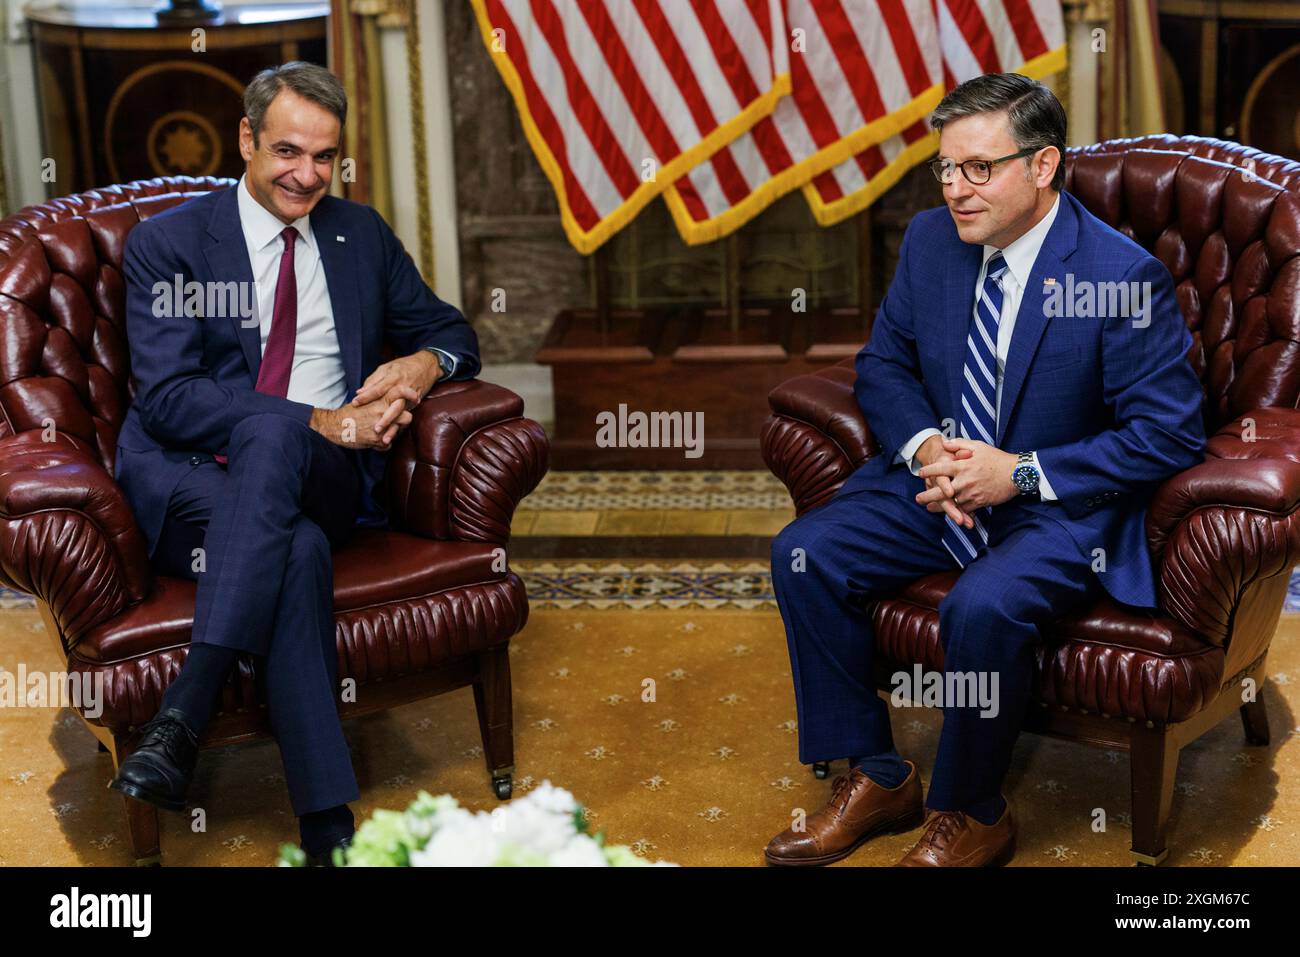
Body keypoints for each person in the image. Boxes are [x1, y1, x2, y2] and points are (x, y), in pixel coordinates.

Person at [764, 72, 1206, 867]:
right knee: (806, 552)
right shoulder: (931, 241)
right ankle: (878, 774)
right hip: (941, 485)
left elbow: (1167, 435)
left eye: (978, 168)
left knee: (983, 604)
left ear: (1043, 165)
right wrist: (928, 450)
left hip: (1058, 507)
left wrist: (1019, 473)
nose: (955, 189)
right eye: (946, 167)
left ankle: (973, 810)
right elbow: (884, 364)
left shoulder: (1118, 277)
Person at [109, 61, 479, 865]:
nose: (307, 175)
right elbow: (168, 399)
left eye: (324, 157)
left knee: (278, 444)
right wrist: (319, 417)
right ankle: (326, 817)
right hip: (194, 482)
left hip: (327, 476)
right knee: (296, 537)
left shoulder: (359, 235)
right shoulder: (170, 245)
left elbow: (453, 333)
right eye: (287, 151)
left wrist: (422, 365)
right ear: (247, 139)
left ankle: (184, 712)